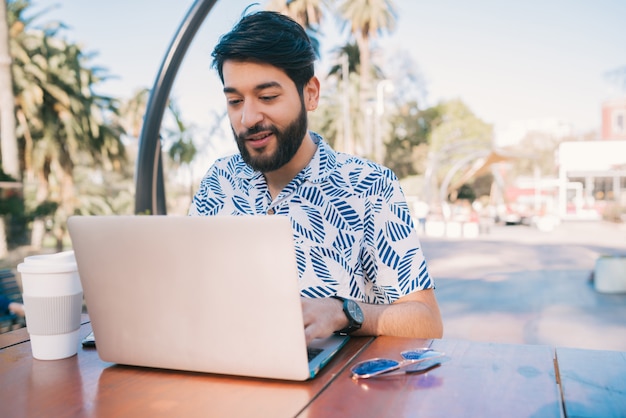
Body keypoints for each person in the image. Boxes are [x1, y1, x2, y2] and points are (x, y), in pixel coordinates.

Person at [188, 10, 443, 344]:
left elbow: (427, 323)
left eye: (267, 97)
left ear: (310, 93)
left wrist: (344, 312)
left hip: (329, 392)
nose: (247, 118)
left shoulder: (370, 186)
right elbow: (188, 290)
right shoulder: (218, 181)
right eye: (235, 101)